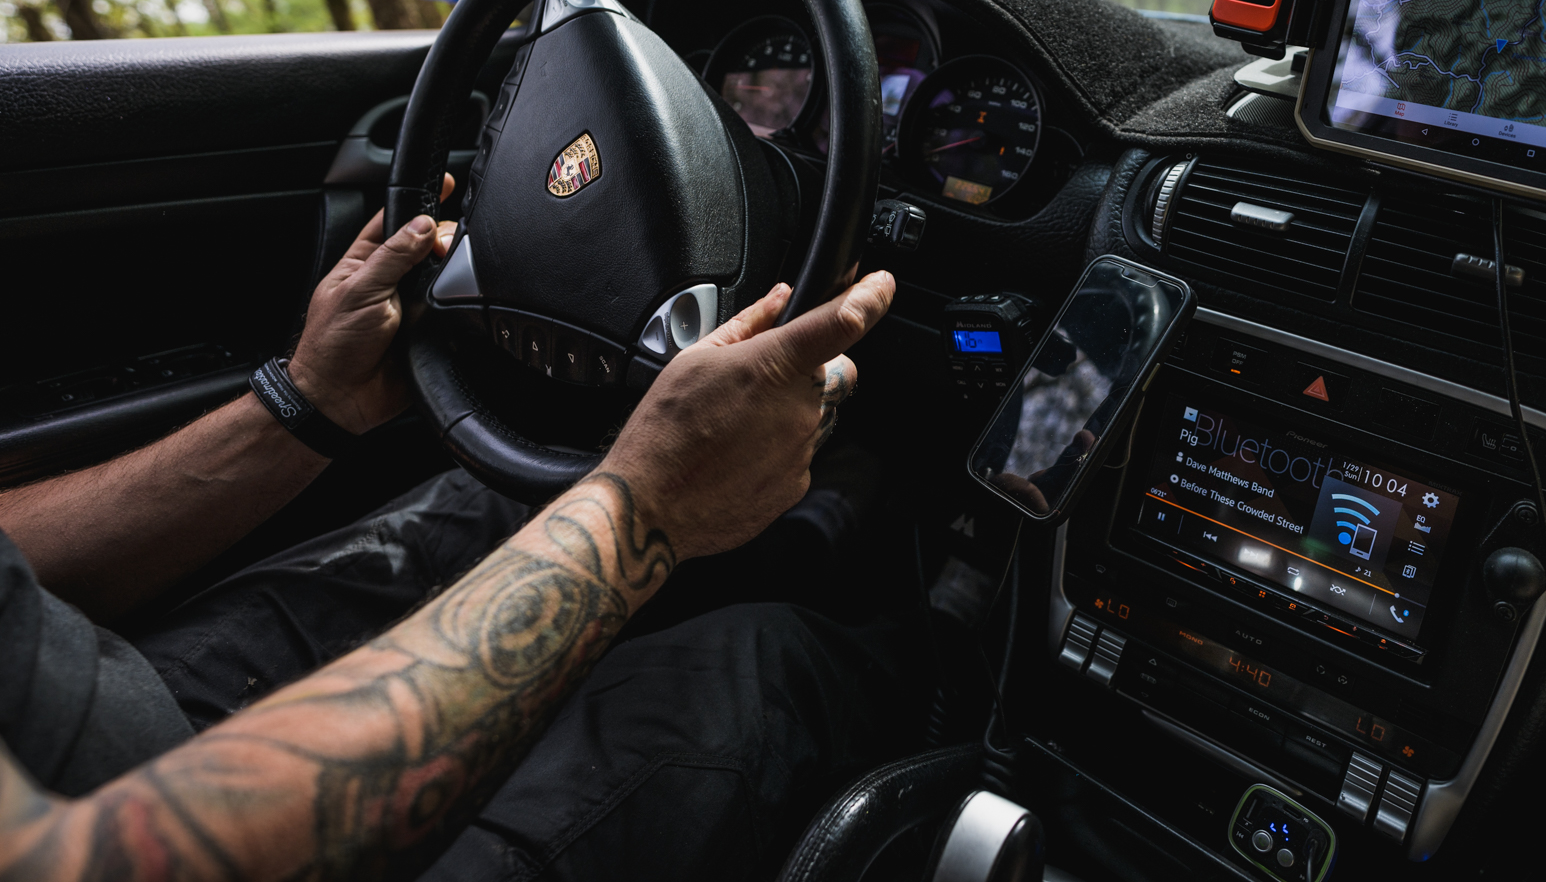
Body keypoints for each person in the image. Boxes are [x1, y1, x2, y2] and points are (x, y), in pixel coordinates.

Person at [0, 194, 903, 881]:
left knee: (503, 493)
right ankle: (928, 636)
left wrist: (307, 404)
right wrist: (643, 510)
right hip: (183, 836)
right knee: (771, 665)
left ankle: (816, 531)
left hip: (81, 674)